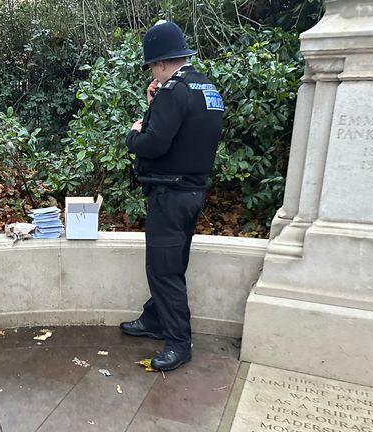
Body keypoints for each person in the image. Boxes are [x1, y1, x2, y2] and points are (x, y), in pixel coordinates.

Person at [120, 20, 224, 372]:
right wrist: (155, 101)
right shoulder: (206, 88)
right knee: (173, 264)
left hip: (169, 194)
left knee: (163, 270)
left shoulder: (173, 91)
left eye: (152, 66)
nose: (152, 72)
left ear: (162, 62)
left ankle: (178, 342)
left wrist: (133, 134)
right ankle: (154, 318)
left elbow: (154, 142)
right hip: (192, 191)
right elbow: (184, 134)